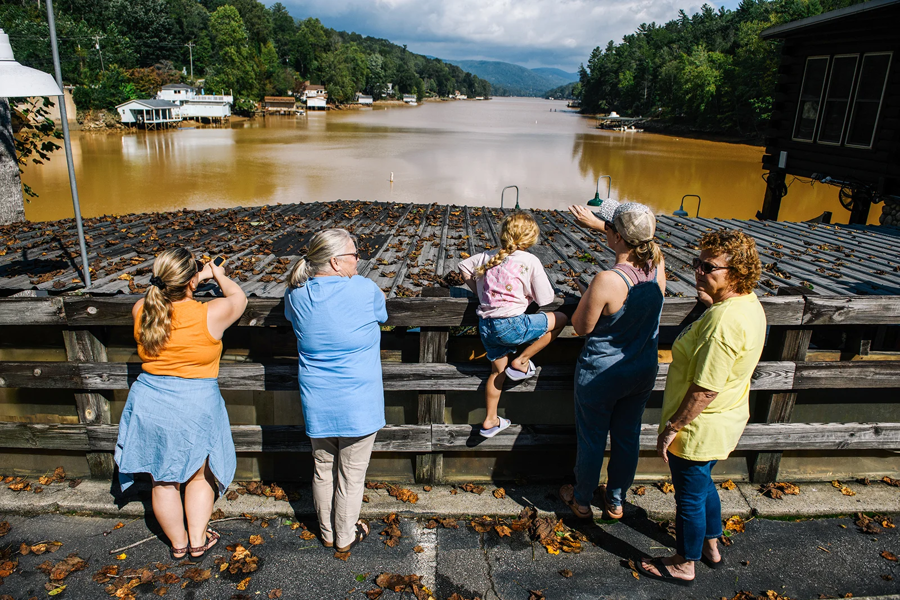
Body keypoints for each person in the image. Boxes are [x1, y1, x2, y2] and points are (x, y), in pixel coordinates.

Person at [638, 229, 766, 586]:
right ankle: (711, 547)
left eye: (708, 266)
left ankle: (684, 563)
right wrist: (712, 304)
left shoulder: (722, 324)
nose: (698, 271)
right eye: (697, 262)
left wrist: (672, 428)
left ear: (736, 273)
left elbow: (705, 388)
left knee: (690, 497)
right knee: (704, 485)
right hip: (727, 417)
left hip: (700, 426)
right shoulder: (746, 304)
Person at [115, 248, 247, 559]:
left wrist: (192, 279)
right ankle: (198, 541)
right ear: (189, 282)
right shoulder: (209, 313)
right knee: (198, 476)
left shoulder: (142, 309)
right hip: (193, 404)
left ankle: (178, 544)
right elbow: (237, 297)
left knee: (163, 481)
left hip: (150, 401)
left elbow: (165, 299)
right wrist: (218, 275)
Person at [559, 202, 666, 520]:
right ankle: (616, 501)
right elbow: (636, 241)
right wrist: (598, 224)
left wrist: (588, 293)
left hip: (602, 374)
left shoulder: (607, 280)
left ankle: (581, 501)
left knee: (592, 438)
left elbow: (581, 327)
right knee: (627, 435)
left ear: (617, 236)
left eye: (609, 226)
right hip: (642, 370)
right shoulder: (658, 266)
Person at [284, 228, 387, 553]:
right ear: (336, 262)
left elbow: (292, 318)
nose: (359, 260)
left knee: (323, 468)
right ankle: (344, 537)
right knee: (351, 476)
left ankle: (327, 532)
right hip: (359, 403)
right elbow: (382, 315)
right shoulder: (364, 289)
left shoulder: (296, 295)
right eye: (355, 255)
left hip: (318, 402)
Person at [458, 211, 568, 438]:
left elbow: (463, 267)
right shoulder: (530, 261)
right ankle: (522, 360)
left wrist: (480, 291)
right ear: (531, 239)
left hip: (487, 327)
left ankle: (490, 420)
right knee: (562, 319)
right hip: (513, 325)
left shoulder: (487, 256)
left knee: (496, 372)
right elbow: (546, 300)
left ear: (503, 234)